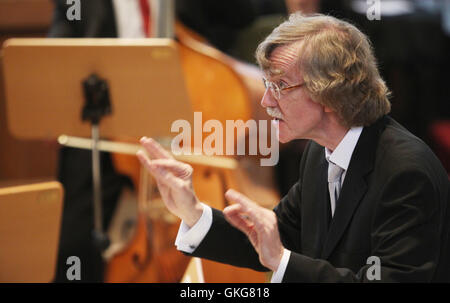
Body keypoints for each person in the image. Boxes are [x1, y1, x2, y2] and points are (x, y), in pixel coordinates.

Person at [137, 13, 450, 282]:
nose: (266, 101)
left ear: (330, 90)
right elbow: (277, 237)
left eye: (280, 86)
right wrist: (192, 211)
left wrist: (282, 261)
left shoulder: (406, 172)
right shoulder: (319, 154)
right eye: (267, 84)